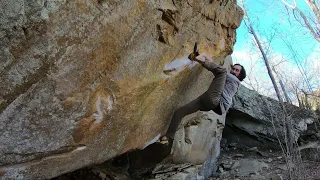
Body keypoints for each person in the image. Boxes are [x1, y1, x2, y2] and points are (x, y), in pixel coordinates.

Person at [160, 53, 246, 144]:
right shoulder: (228, 77)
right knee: (179, 112)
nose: (234, 71)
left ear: (240, 75)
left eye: (237, 70)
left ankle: (195, 58)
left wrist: (201, 58)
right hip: (208, 102)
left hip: (216, 101)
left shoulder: (235, 81)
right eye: (233, 68)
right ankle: (168, 138)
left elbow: (218, 70)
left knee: (222, 72)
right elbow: (214, 66)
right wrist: (204, 57)